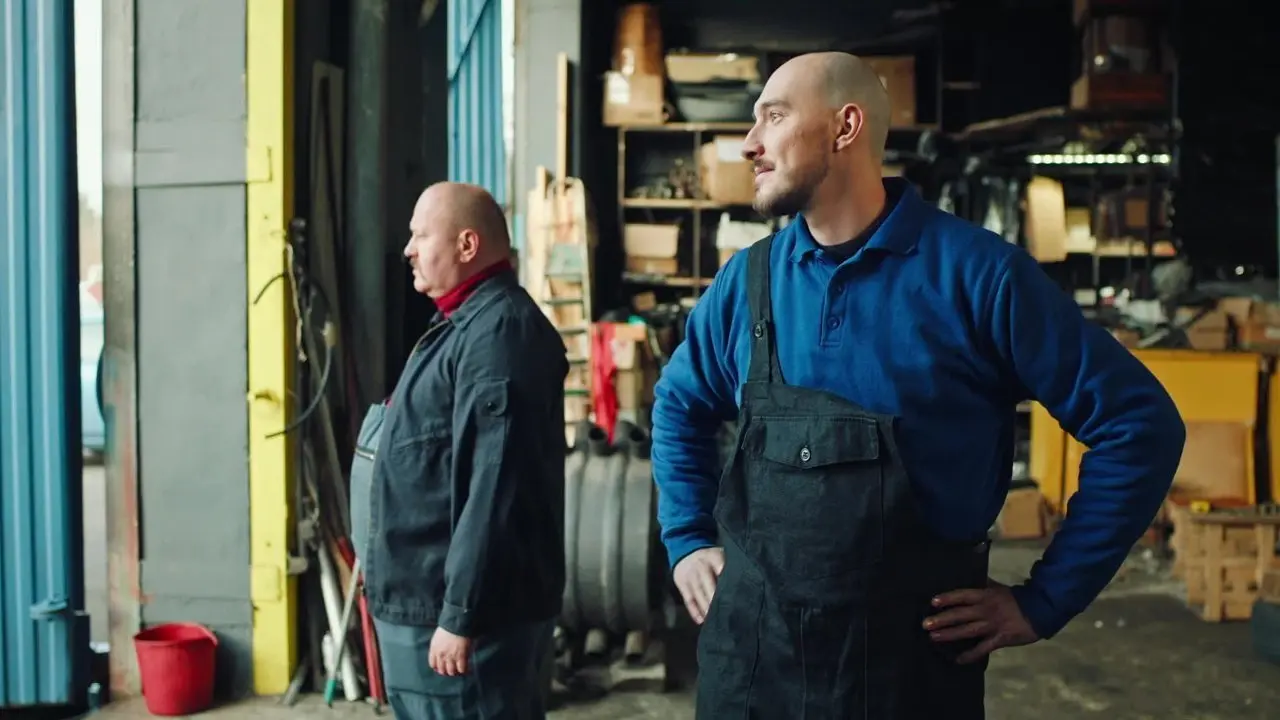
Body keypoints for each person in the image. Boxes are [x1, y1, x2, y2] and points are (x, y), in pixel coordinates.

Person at [650, 52, 1186, 718]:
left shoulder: (979, 278)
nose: (749, 143)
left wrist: (1045, 599)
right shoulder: (747, 282)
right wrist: (687, 538)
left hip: (905, 679)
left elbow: (1138, 426)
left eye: (775, 116)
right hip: (751, 670)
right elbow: (678, 403)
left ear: (846, 127)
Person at [360, 181, 568, 719]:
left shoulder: (500, 336)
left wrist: (460, 614)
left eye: (421, 235)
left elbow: (495, 485)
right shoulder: (461, 327)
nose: (408, 249)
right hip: (424, 606)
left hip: (464, 623)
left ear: (467, 245)